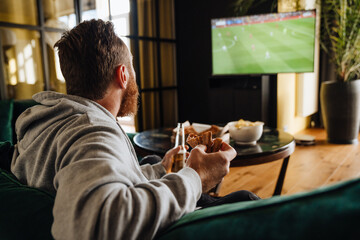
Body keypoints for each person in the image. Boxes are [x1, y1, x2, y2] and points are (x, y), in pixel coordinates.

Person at [11, 19, 258, 240]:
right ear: (122, 75)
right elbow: (93, 227)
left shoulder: (47, 121)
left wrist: (161, 169)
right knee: (247, 199)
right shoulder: (92, 132)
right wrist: (197, 176)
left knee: (151, 160)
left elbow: (95, 175)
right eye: (132, 68)